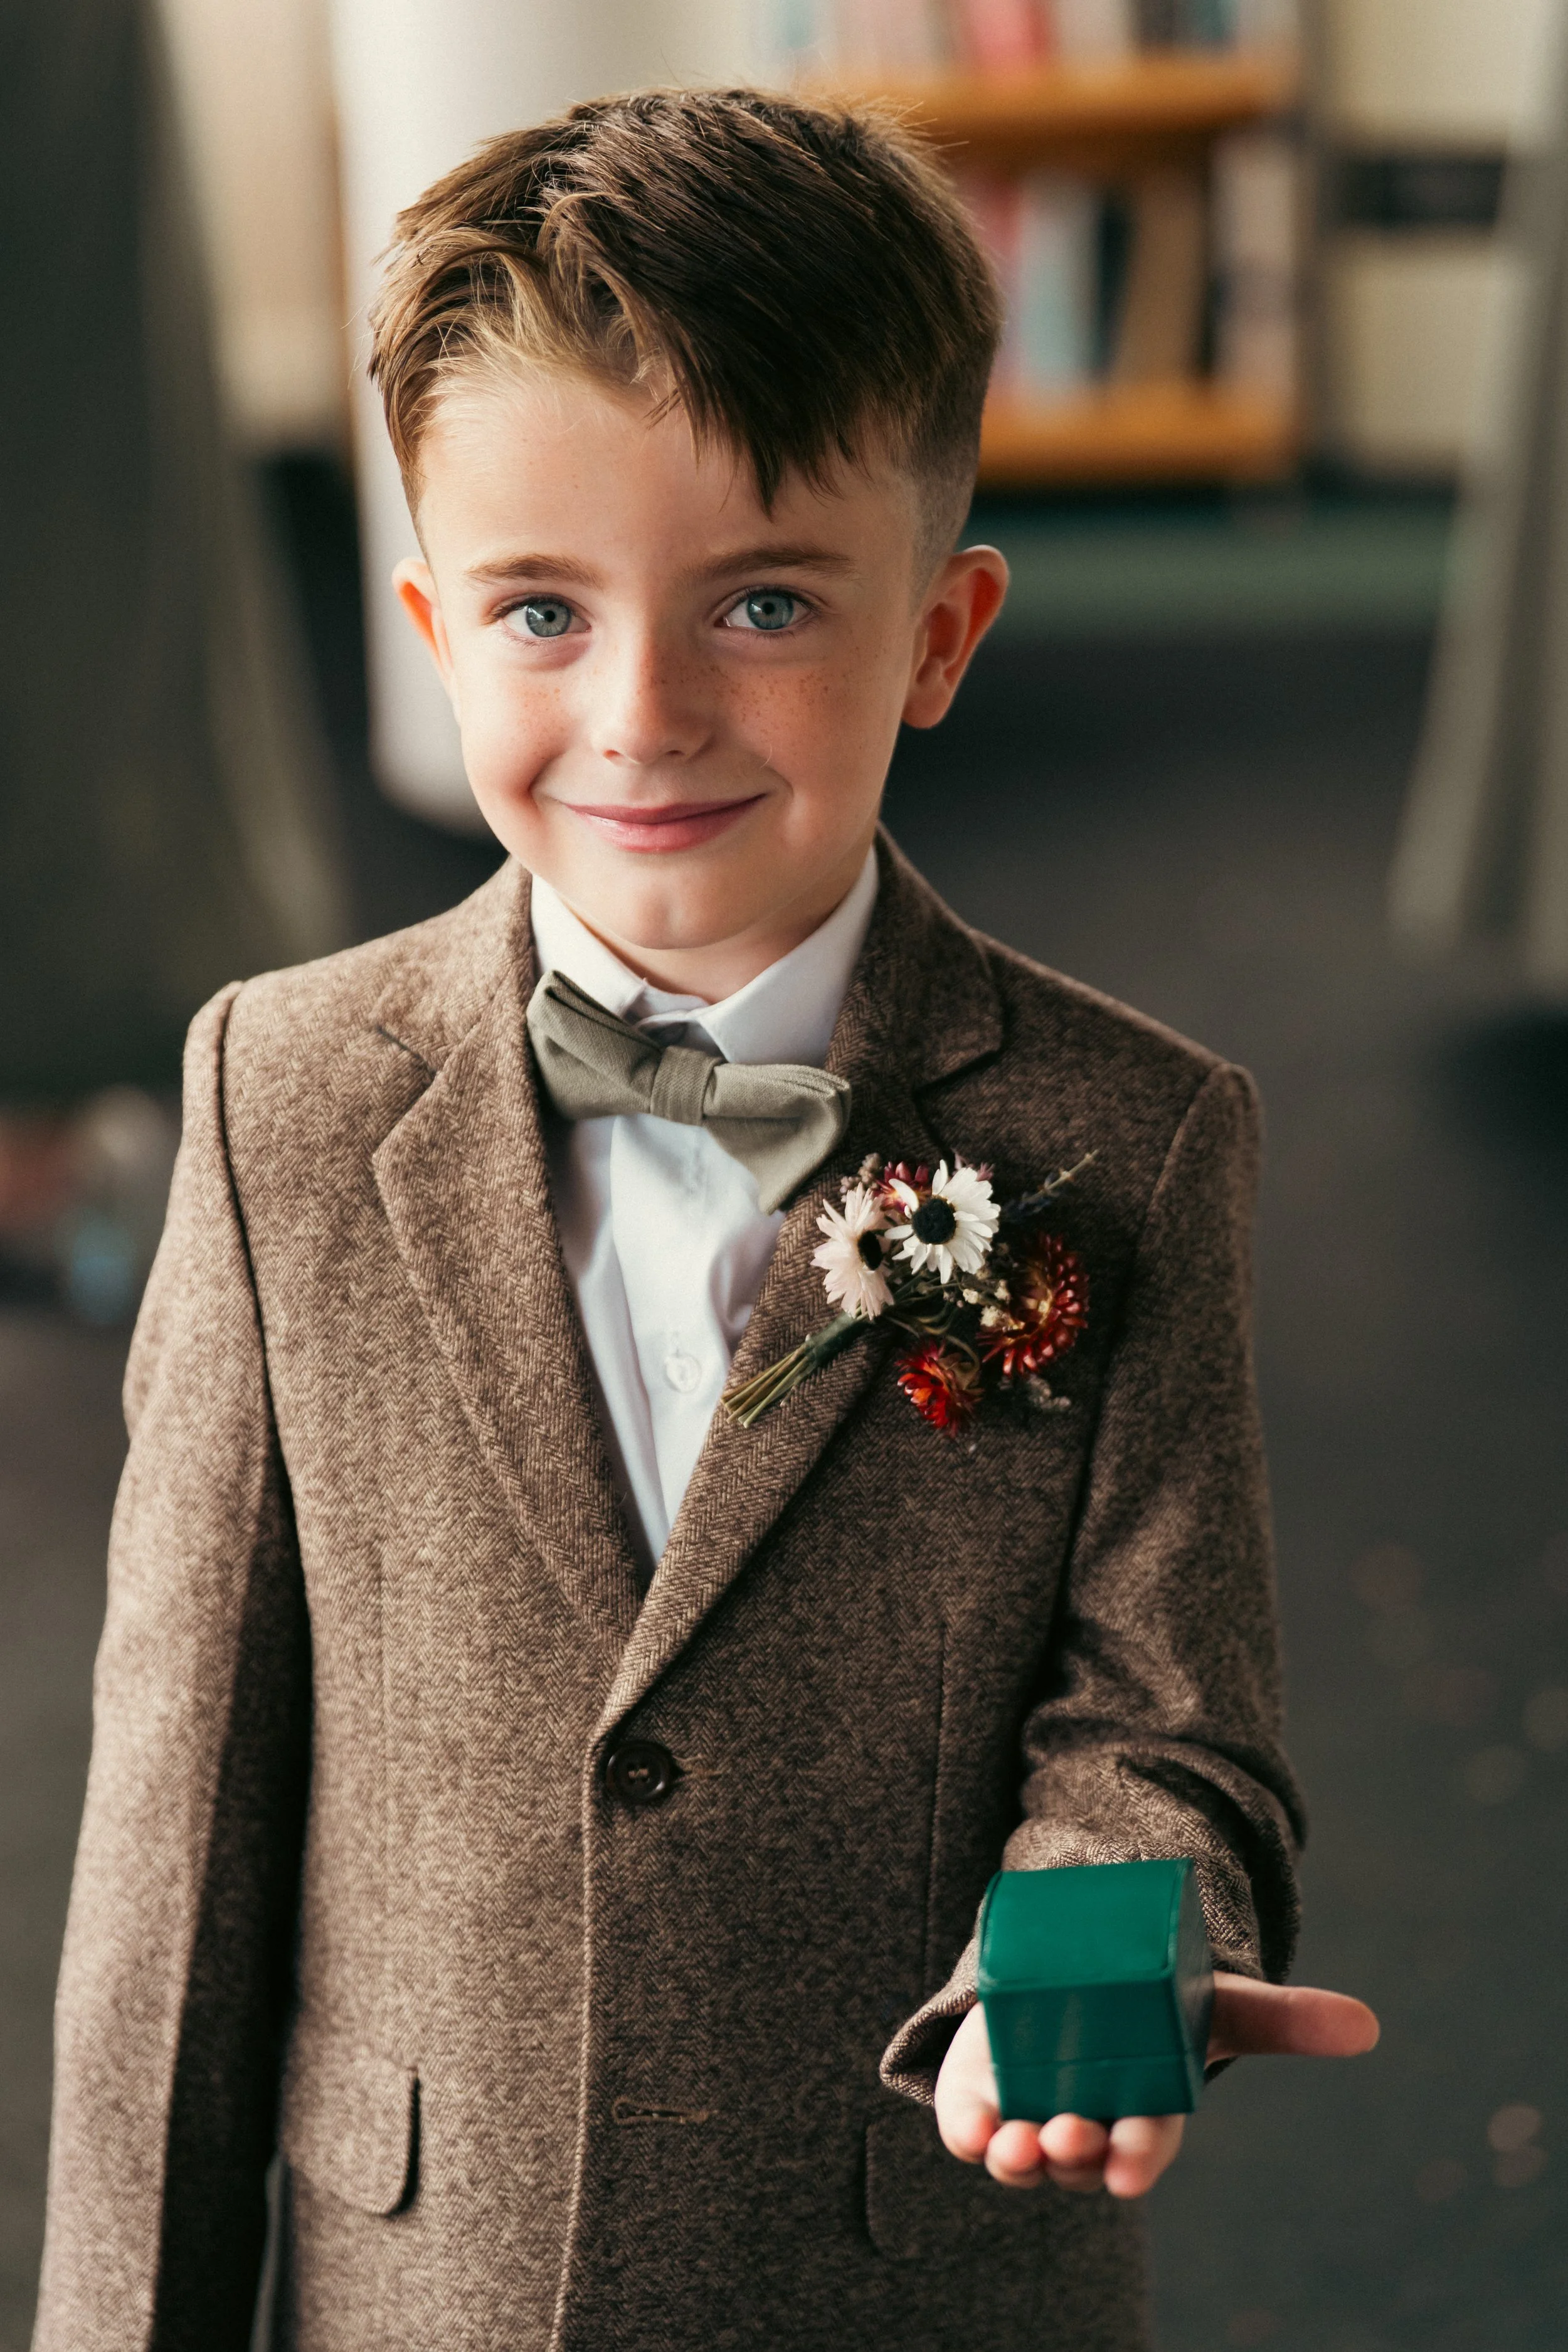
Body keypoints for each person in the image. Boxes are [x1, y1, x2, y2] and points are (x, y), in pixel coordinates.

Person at [32, 88, 1375, 2352]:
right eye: (542, 611)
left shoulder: (1124, 1138)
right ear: (432, 628)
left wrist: (1097, 1926)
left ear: (940, 634)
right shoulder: (276, 1098)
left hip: (917, 2278)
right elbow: (176, 1855)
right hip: (423, 2285)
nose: (641, 715)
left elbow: (1167, 1726)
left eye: (763, 601)